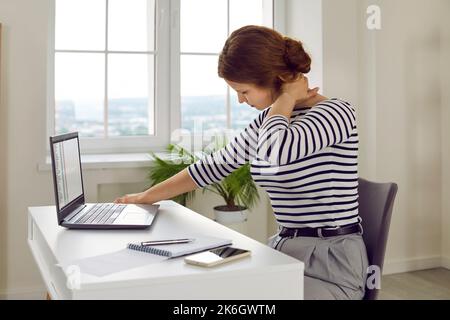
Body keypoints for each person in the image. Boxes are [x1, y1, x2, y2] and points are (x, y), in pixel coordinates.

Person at [115, 25, 368, 300]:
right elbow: (213, 166)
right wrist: (145, 196)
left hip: (331, 264)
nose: (240, 100)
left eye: (244, 91)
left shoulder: (336, 114)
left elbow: (276, 152)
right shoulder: (269, 121)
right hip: (284, 250)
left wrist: (285, 98)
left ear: (279, 79)